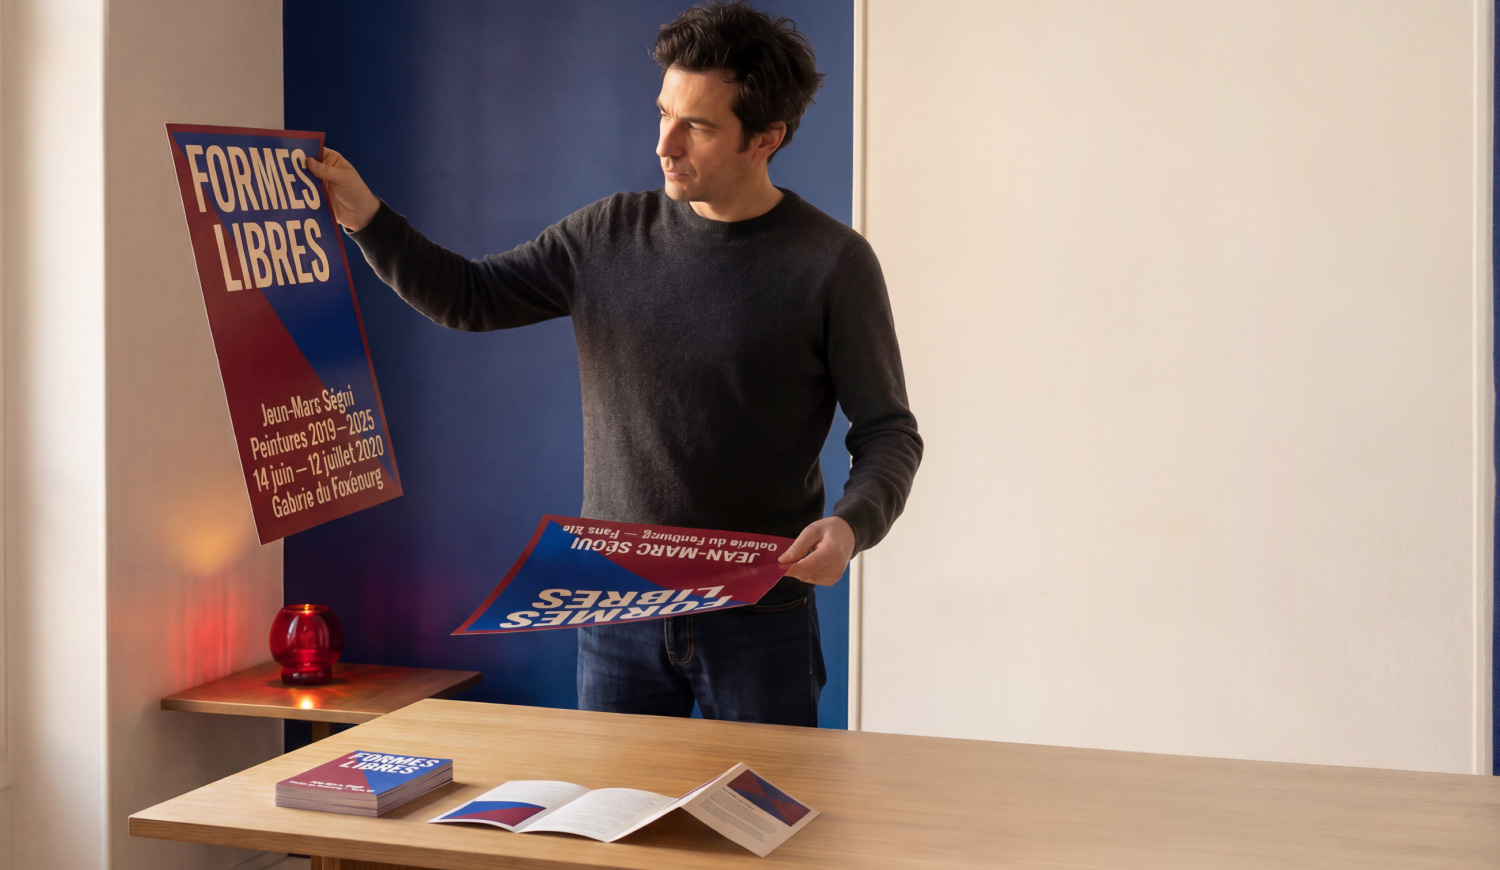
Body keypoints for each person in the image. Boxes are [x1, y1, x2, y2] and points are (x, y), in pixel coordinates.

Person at [306, 0, 921, 727]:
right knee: (612, 803)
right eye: (664, 112)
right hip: (615, 610)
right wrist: (366, 217)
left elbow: (888, 432)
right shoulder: (606, 233)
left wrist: (851, 525)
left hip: (758, 616)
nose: (665, 143)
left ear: (766, 138)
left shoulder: (833, 263)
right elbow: (467, 297)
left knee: (762, 805)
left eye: (697, 126)